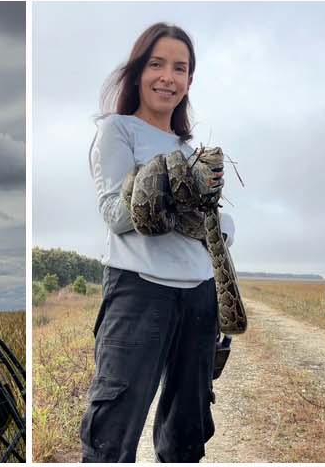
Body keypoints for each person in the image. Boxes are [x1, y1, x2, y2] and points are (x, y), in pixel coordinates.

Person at [81, 23, 232, 463]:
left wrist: (213, 218)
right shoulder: (117, 130)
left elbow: (213, 224)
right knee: (113, 427)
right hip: (139, 291)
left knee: (188, 430)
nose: (168, 77)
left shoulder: (191, 148)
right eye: (157, 64)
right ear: (137, 72)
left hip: (200, 294)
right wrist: (169, 188)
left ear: (189, 81)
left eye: (180, 68)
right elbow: (114, 215)